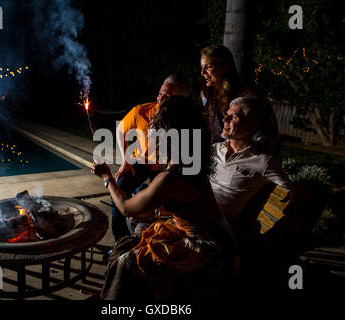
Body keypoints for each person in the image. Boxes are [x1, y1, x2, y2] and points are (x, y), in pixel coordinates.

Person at [92, 96, 236, 300]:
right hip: (215, 233)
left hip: (208, 247)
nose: (150, 130)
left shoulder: (172, 176)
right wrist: (155, 213)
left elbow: (125, 207)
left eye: (156, 124)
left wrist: (107, 178)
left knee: (125, 262)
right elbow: (190, 206)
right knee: (133, 242)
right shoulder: (191, 162)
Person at [111, 75, 191, 242]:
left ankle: (155, 236)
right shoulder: (142, 111)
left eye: (167, 96)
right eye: (160, 93)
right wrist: (125, 159)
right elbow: (120, 129)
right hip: (140, 161)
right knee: (119, 188)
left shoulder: (183, 121)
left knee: (164, 201)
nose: (160, 97)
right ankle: (120, 240)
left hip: (165, 166)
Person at [209, 97, 292, 232]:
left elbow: (291, 189)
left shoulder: (262, 161)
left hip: (217, 229)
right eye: (226, 115)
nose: (225, 120)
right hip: (194, 214)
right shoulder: (214, 149)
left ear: (250, 126)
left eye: (233, 117)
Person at [200, 45, 281, 158]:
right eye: (202, 68)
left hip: (250, 158)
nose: (203, 73)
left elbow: (262, 135)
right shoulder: (207, 97)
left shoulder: (248, 96)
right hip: (219, 158)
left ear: (225, 66)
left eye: (208, 67)